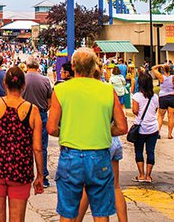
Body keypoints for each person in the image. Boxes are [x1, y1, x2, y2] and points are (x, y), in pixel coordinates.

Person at [48, 48, 127, 222]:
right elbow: (122, 127)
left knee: (68, 212)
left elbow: (52, 128)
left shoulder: (61, 90)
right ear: (94, 67)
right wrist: (105, 130)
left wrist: (68, 131)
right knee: (100, 211)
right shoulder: (108, 90)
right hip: (99, 155)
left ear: (73, 66)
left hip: (71, 155)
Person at [0, 66, 44, 222]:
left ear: (5, 83)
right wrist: (40, 175)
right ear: (23, 85)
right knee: (17, 218)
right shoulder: (33, 110)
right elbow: (37, 148)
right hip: (21, 170)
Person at [22, 57, 53, 188]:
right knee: (42, 147)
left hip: (24, 114)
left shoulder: (22, 79)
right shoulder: (46, 80)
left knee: (25, 146)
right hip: (41, 115)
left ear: (27, 66)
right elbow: (49, 102)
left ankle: (26, 175)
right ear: (38, 66)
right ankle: (43, 176)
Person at [131, 73, 160, 183]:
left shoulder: (137, 96)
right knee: (150, 151)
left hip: (140, 128)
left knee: (139, 151)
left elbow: (134, 111)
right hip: (153, 128)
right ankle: (149, 176)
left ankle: (141, 175)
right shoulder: (155, 96)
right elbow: (155, 109)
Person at [151, 63, 174, 139]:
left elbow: (153, 68)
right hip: (172, 97)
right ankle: (169, 134)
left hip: (163, 97)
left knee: (160, 116)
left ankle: (158, 132)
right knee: (171, 117)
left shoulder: (161, 77)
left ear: (163, 70)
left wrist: (160, 65)